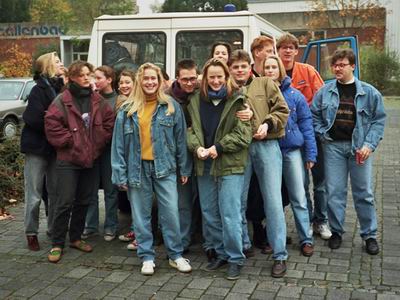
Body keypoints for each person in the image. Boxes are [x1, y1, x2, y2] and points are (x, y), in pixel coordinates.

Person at [111, 62, 192, 275]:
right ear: (140, 80)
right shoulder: (127, 110)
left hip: (165, 168)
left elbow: (181, 140)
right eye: (145, 78)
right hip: (136, 170)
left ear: (159, 81)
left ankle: (175, 255)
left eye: (153, 78)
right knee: (141, 216)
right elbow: (118, 145)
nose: (149, 82)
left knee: (171, 214)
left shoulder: (171, 107)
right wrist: (119, 173)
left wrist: (184, 169)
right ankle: (146, 256)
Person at [311, 49, 386, 255]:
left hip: (359, 149)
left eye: (342, 64)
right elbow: (314, 115)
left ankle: (369, 235)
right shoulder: (324, 91)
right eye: (335, 65)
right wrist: (322, 134)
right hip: (333, 147)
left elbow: (379, 121)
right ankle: (336, 232)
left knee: (364, 193)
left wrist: (368, 145)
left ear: (352, 66)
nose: (337, 68)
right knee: (335, 193)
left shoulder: (369, 92)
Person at [187, 58, 252, 280]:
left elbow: (244, 135)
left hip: (230, 164)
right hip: (204, 164)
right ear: (205, 78)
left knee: (230, 214)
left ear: (227, 77)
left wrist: (219, 147)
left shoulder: (238, 100)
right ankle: (220, 253)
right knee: (210, 213)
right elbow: (190, 130)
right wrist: (197, 148)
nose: (216, 81)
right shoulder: (195, 100)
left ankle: (236, 258)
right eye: (211, 77)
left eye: (219, 77)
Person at [44, 61, 115, 263]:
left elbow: (109, 123)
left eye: (88, 74)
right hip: (69, 159)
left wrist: (97, 143)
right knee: (64, 202)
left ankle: (75, 238)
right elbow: (51, 124)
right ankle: (57, 243)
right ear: (72, 77)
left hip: (90, 159)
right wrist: (71, 141)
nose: (86, 78)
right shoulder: (61, 100)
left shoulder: (97, 100)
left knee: (85, 200)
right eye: (82, 75)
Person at [230, 49, 290, 278]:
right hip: (239, 149)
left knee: (273, 202)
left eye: (243, 66)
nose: (239, 70)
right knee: (238, 199)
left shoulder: (265, 83)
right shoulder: (226, 89)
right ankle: (244, 245)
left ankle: (280, 255)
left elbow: (282, 109)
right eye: (235, 67)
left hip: (266, 147)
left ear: (250, 66)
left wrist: (267, 124)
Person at [276, 33, 330, 240]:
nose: (288, 51)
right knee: (301, 183)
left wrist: (302, 112)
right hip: (290, 139)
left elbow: (323, 99)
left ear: (296, 51)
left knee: (320, 181)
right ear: (278, 51)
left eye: (291, 47)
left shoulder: (308, 71)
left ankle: (321, 221)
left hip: (311, 133)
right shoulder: (274, 75)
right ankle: (307, 221)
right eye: (284, 47)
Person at [263, 55, 317, 257]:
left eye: (273, 67)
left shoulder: (295, 96)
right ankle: (273, 239)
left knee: (298, 196)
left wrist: (310, 154)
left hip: (291, 151)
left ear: (280, 70)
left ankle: (305, 238)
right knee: (272, 198)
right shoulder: (258, 95)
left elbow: (307, 126)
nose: (270, 70)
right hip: (268, 150)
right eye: (266, 67)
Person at [21, 52, 64, 251]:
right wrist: (56, 124)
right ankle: (31, 233)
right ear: (48, 66)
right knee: (34, 194)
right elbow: (34, 119)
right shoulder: (38, 89)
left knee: (55, 192)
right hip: (37, 148)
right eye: (57, 61)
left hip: (55, 148)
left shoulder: (61, 88)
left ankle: (54, 229)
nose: (61, 63)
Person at [82, 66, 119, 242]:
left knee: (111, 190)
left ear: (109, 79)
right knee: (90, 190)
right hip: (92, 151)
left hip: (109, 151)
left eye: (98, 77)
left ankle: (111, 226)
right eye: (93, 77)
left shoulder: (117, 100)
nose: (95, 81)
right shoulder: (90, 98)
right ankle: (91, 226)